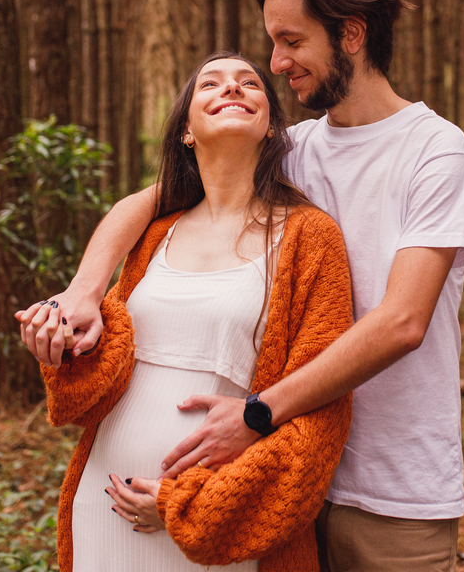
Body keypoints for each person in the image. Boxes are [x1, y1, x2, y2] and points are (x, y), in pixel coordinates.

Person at [19, 0, 464, 571]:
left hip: (388, 490)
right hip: (284, 482)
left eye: (291, 41)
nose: (278, 61)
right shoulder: (291, 147)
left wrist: (260, 415)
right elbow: (142, 204)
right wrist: (82, 292)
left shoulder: (434, 149)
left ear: (350, 34)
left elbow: (402, 322)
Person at [22, 52, 354, 572]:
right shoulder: (154, 233)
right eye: (211, 84)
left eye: (251, 84)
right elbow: (95, 383)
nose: (232, 89)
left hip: (219, 531)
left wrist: (193, 506)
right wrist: (61, 344)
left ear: (271, 129)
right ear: (187, 132)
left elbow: (322, 409)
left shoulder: (309, 238)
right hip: (104, 504)